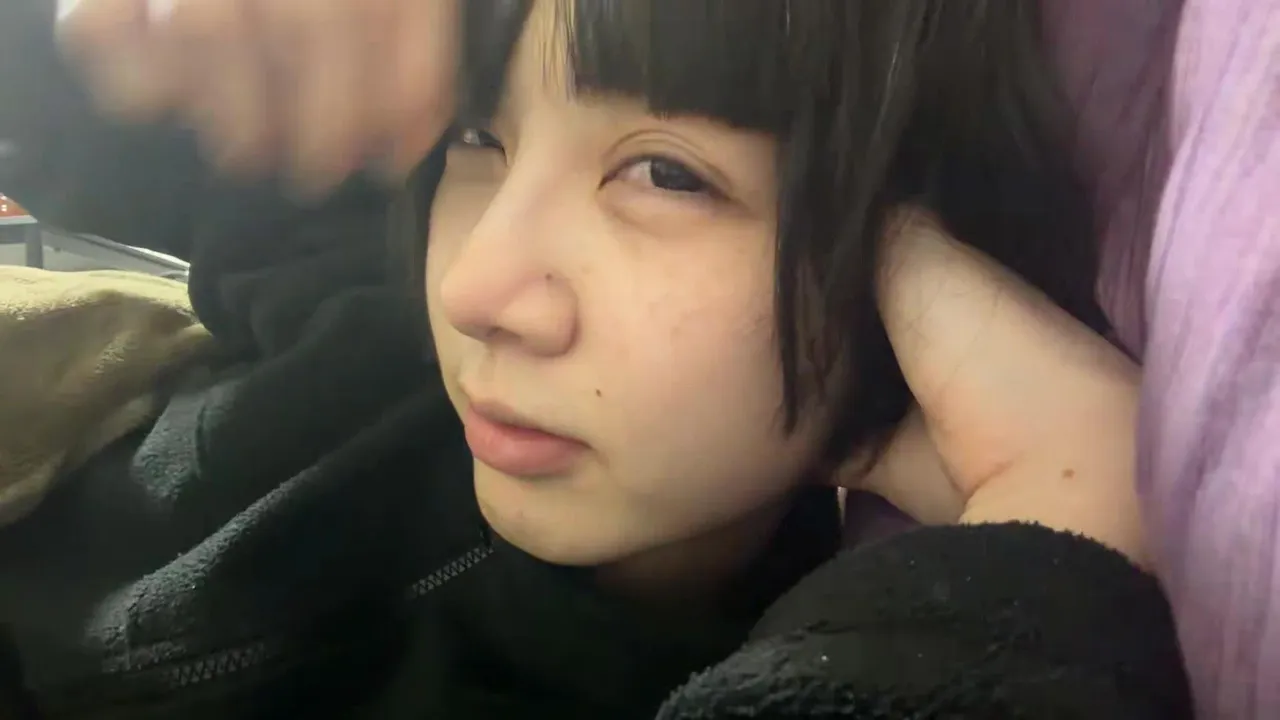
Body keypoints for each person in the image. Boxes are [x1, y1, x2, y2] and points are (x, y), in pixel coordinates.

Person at [0, 0, 1189, 718]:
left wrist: (1064, 494)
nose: (475, 291)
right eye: (480, 137)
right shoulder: (364, 306)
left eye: (665, 174)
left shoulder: (806, 656)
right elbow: (68, 98)